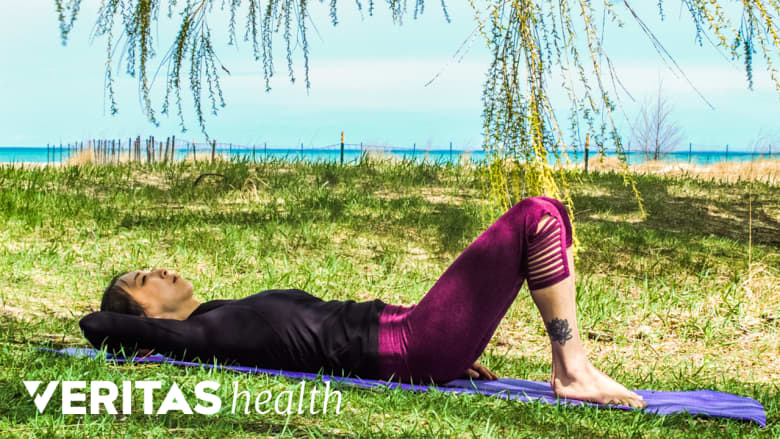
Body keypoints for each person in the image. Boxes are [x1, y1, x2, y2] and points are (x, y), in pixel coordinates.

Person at [95, 196, 646, 408]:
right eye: (145, 278)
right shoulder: (200, 336)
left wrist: (443, 353)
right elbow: (95, 324)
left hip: (412, 332)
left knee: (550, 212)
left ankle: (568, 366)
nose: (162, 269)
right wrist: (430, 354)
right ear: (148, 315)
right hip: (409, 347)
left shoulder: (216, 315)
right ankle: (573, 371)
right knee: (536, 217)